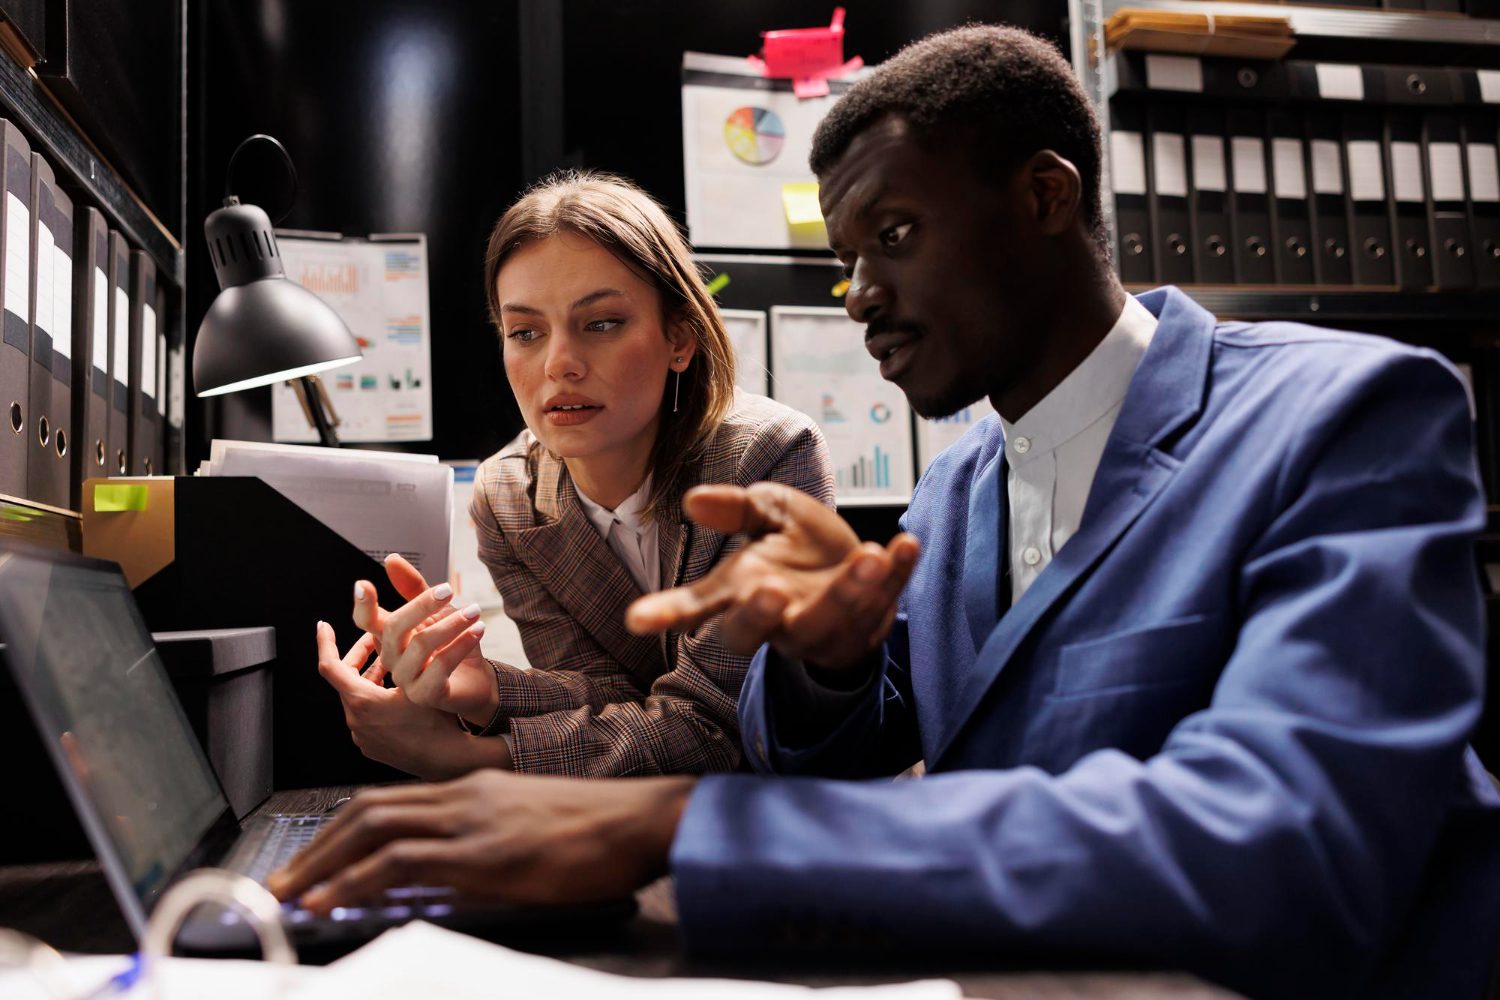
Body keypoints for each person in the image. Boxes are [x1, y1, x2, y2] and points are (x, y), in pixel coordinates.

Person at [272, 26, 1500, 998]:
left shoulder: (1349, 414)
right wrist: (830, 666)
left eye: (895, 235)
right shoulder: (964, 479)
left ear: (1044, 197)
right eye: (847, 254)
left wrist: (674, 822)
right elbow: (857, 738)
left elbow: (1282, 840)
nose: (859, 296)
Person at [314, 170, 834, 779]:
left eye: (602, 323)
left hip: (794, 814)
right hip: (638, 816)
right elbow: (608, 698)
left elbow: (717, 729)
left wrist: (476, 759)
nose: (559, 363)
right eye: (526, 333)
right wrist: (483, 690)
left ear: (680, 341)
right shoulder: (507, 498)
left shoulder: (766, 458)